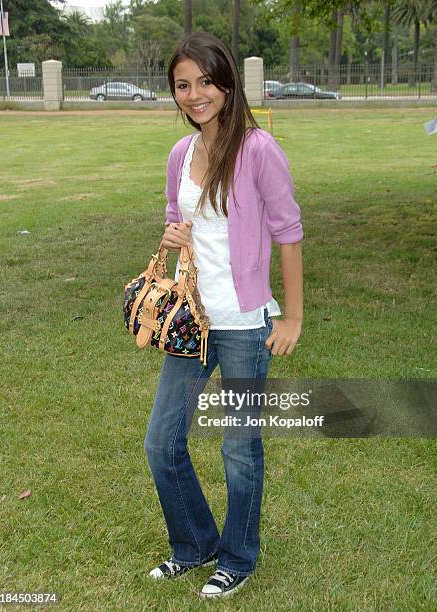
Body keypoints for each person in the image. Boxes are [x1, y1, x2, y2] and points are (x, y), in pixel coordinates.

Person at [144, 31, 304, 599]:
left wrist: (291, 319)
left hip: (243, 324)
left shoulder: (259, 150)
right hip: (193, 323)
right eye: (183, 85)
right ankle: (194, 545)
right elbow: (177, 218)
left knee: (239, 448)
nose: (195, 95)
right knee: (162, 443)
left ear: (228, 83)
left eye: (205, 82)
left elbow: (288, 234)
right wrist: (171, 237)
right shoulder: (179, 155)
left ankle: (237, 557)